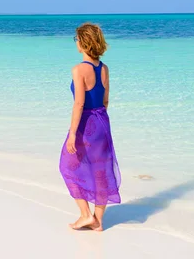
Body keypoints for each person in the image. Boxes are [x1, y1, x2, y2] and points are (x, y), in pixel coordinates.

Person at [59, 22, 121, 231]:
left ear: (83, 42)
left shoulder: (79, 69)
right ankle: (98, 221)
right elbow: (105, 101)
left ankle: (86, 215)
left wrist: (73, 134)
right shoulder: (104, 69)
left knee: (68, 165)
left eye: (76, 39)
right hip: (102, 121)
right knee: (101, 170)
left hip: (86, 123)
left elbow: (79, 103)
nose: (75, 43)